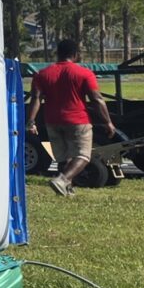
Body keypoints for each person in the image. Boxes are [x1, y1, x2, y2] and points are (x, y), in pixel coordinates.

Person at [28, 37, 118, 197]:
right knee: (83, 155)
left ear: (58, 54)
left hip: (52, 121)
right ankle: (62, 180)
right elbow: (97, 99)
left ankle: (67, 189)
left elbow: (36, 99)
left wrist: (31, 121)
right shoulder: (84, 73)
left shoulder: (42, 74)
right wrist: (108, 122)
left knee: (63, 157)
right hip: (78, 120)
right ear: (75, 54)